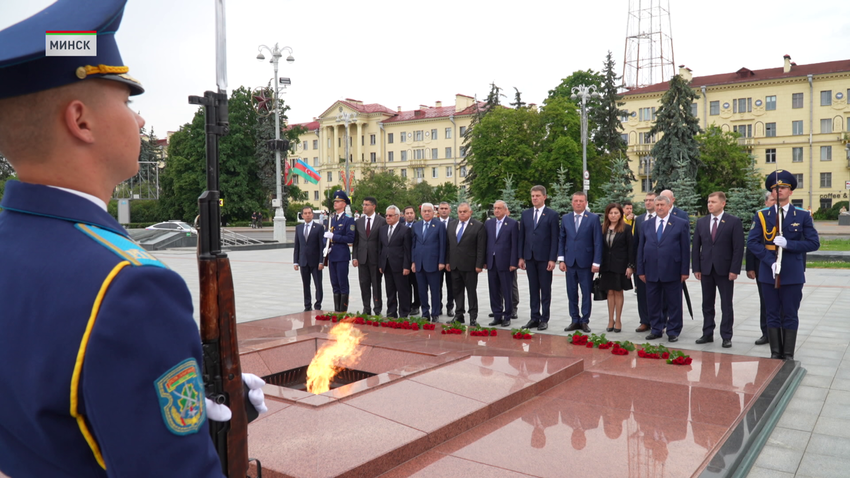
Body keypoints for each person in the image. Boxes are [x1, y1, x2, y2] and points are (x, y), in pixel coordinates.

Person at [0, 1, 265, 475]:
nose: (140, 121)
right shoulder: (130, 287)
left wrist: (170, 413)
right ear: (80, 121)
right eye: (127, 101)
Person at [747, 170, 820, 360]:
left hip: (792, 272)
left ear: (791, 191)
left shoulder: (802, 215)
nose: (779, 191)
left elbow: (813, 243)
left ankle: (787, 353)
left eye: (783, 188)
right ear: (771, 192)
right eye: (775, 188)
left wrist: (789, 244)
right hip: (769, 271)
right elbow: (753, 242)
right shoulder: (762, 215)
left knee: (790, 312)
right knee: (771, 312)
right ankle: (775, 353)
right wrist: (770, 261)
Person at [692, 192, 744, 348]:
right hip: (706, 269)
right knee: (707, 303)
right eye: (708, 201)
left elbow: (738, 248)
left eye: (713, 202)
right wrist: (696, 268)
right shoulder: (702, 222)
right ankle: (707, 333)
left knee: (726, 304)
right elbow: (696, 247)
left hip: (725, 270)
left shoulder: (733, 222)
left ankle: (726, 336)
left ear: (723, 203)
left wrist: (734, 269)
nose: (709, 204)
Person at [637, 194, 690, 343]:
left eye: (662, 205)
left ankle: (673, 330)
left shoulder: (680, 223)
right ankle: (656, 329)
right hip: (651, 270)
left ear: (668, 206)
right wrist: (640, 270)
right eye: (657, 205)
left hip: (672, 269)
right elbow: (641, 248)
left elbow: (685, 249)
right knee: (653, 301)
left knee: (674, 302)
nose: (659, 208)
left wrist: (684, 270)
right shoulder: (646, 224)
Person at [559, 192, 603, 333]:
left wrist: (596, 262)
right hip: (570, 262)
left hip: (586, 262)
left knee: (585, 293)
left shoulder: (593, 218)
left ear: (586, 202)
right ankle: (574, 319)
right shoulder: (566, 218)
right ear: (572, 202)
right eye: (576, 201)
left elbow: (597, 241)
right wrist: (561, 259)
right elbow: (562, 239)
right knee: (571, 292)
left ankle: (584, 321)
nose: (578, 203)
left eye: (581, 201)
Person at [518, 185, 560, 331]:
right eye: (533, 196)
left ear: (544, 197)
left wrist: (552, 259)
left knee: (545, 289)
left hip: (544, 258)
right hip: (529, 257)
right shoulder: (526, 214)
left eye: (537, 196)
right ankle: (534, 317)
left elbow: (555, 238)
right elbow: (522, 237)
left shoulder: (552, 215)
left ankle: (544, 318)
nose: (534, 198)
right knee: (533, 288)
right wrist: (521, 257)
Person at [445, 202, 487, 326]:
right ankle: (459, 315)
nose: (462, 214)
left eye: (464, 211)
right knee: (457, 291)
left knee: (471, 292)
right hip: (454, 264)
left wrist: (479, 264)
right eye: (460, 212)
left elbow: (481, 247)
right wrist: (447, 261)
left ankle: (473, 316)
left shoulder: (478, 226)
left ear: (470, 212)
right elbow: (448, 246)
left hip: (470, 265)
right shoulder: (451, 225)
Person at [747, 191, 777, 345]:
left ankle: (781, 334)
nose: (774, 202)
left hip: (784, 267)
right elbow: (752, 243)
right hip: (763, 266)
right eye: (771, 200)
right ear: (766, 203)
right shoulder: (760, 217)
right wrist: (750, 267)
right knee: (765, 301)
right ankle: (766, 333)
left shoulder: (789, 217)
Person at [599, 203, 634, 333]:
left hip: (620, 265)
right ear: (607, 214)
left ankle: (618, 319)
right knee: (610, 292)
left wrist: (630, 266)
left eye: (616, 213)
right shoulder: (602, 228)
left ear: (621, 214)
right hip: (606, 265)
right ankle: (610, 320)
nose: (613, 215)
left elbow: (631, 249)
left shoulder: (626, 228)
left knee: (618, 291)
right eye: (611, 213)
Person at [486, 201, 519, 327]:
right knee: (493, 290)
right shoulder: (489, 223)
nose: (497, 210)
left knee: (507, 290)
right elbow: (486, 243)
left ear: (506, 210)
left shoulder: (512, 224)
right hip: (492, 262)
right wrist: (485, 261)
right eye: (495, 208)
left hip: (506, 263)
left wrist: (513, 262)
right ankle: (497, 315)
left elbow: (514, 245)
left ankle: (507, 315)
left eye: (499, 208)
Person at [411, 203, 446, 322]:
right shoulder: (416, 226)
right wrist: (413, 262)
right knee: (421, 290)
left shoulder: (439, 225)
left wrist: (441, 261)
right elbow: (413, 245)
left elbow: (443, 244)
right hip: (419, 264)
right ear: (421, 213)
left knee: (435, 290)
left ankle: (435, 313)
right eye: (424, 211)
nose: (426, 213)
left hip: (434, 263)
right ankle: (425, 313)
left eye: (429, 211)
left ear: (433, 212)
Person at [352, 196, 385, 315]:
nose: (364, 207)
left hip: (375, 259)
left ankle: (377, 308)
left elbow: (383, 242)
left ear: (373, 206)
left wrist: (382, 261)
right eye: (363, 205)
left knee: (376, 285)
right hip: (362, 259)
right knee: (364, 284)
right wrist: (354, 257)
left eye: (366, 205)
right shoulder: (359, 222)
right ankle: (366, 308)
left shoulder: (381, 221)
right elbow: (356, 241)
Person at [378, 205, 412, 318]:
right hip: (387, 265)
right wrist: (381, 264)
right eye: (386, 215)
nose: (387, 217)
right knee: (390, 290)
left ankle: (404, 312)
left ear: (397, 216)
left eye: (390, 215)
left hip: (400, 265)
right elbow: (381, 248)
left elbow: (407, 250)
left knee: (403, 290)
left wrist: (406, 266)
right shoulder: (382, 229)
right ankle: (391, 312)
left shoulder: (405, 230)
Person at [325, 190, 356, 312]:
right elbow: (326, 235)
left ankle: (343, 310)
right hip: (332, 255)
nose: (335, 203)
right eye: (335, 201)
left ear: (344, 204)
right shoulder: (331, 218)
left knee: (342, 283)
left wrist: (334, 237)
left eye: (338, 201)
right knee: (334, 283)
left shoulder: (348, 220)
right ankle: (336, 309)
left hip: (342, 255)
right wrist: (326, 246)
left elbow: (350, 238)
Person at [632, 192, 657, 332]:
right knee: (641, 293)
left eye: (651, 200)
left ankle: (658, 321)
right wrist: (634, 264)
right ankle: (644, 321)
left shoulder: (660, 219)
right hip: (642, 263)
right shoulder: (640, 219)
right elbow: (636, 243)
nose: (648, 203)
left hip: (657, 263)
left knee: (657, 294)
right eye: (646, 200)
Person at [293, 206, 325, 311]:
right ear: (302, 216)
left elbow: (321, 246)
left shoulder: (319, 228)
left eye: (309, 213)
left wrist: (321, 261)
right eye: (305, 213)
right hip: (303, 262)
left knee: (318, 285)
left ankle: (318, 305)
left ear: (312, 214)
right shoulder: (299, 228)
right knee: (306, 285)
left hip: (316, 262)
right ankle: (307, 306)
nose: (307, 215)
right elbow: (297, 246)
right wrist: (295, 262)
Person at [437, 201, 456, 319]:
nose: (444, 210)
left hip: (451, 260)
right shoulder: (433, 223)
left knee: (451, 285)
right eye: (441, 208)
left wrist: (448, 260)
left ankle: (450, 307)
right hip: (436, 261)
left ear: (450, 210)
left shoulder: (454, 223)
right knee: (437, 286)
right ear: (438, 211)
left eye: (446, 208)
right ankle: (438, 307)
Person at [402, 206, 422, 316]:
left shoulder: (418, 226)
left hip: (416, 260)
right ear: (404, 215)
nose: (409, 215)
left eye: (411, 213)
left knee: (417, 285)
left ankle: (416, 305)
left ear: (414, 214)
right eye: (407, 213)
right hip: (404, 260)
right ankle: (407, 304)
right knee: (406, 285)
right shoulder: (401, 226)